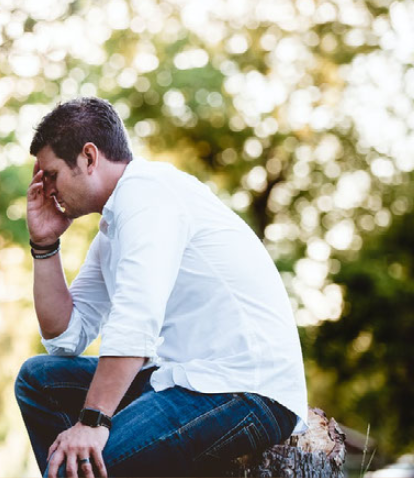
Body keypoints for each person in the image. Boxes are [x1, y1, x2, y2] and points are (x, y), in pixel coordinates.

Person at [15, 97, 308, 478]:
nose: (48, 190)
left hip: (244, 390)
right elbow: (66, 337)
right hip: (181, 380)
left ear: (88, 157)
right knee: (40, 380)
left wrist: (91, 422)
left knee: (79, 471)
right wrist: (44, 246)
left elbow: (136, 320)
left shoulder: (148, 193)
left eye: (51, 174)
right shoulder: (114, 229)